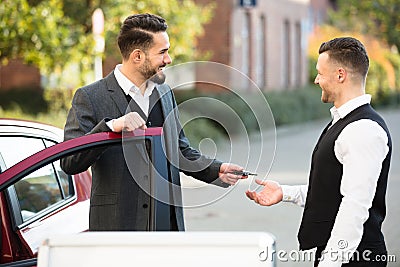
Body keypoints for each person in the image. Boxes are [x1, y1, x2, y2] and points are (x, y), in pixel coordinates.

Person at [61, 13, 246, 231]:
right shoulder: (90, 97)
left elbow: (179, 150)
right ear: (137, 56)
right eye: (162, 52)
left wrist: (216, 170)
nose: (168, 60)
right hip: (117, 227)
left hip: (166, 226)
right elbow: (70, 162)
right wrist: (111, 128)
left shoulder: (165, 93)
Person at [246, 37, 392, 266]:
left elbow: (354, 206)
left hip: (355, 258)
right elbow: (334, 192)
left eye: (320, 73)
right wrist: (284, 192)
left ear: (340, 75)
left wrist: (330, 262)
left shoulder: (363, 129)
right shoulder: (344, 122)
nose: (316, 80)